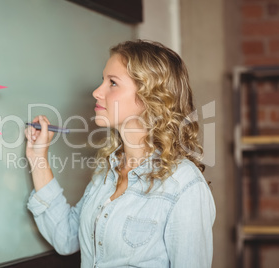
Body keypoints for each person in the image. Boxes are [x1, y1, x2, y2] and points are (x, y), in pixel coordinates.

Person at [25, 40, 216, 268]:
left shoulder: (184, 185)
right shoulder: (107, 171)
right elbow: (66, 237)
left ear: (149, 97)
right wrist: (38, 157)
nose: (97, 91)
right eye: (102, 80)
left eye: (112, 83)